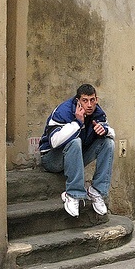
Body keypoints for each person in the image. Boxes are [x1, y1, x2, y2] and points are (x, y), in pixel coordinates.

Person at [39, 84, 115, 217]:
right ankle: (73, 193)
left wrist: (106, 130)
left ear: (96, 99)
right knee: (75, 141)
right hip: (51, 159)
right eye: (85, 101)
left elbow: (112, 133)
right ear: (78, 101)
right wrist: (77, 123)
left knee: (108, 142)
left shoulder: (98, 113)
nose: (89, 105)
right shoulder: (64, 111)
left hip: (75, 157)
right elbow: (54, 141)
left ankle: (96, 190)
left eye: (92, 100)